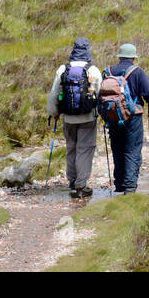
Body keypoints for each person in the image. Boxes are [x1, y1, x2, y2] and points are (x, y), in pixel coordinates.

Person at [46, 37, 102, 199]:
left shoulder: (63, 69)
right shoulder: (93, 71)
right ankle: (81, 184)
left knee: (71, 148)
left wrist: (53, 112)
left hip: (68, 118)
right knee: (85, 149)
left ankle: (72, 180)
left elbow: (54, 94)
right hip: (88, 117)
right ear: (88, 51)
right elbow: (99, 94)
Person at [101, 43, 149, 195]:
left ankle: (119, 184)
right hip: (133, 116)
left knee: (117, 148)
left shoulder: (107, 71)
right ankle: (130, 186)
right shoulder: (137, 72)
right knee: (132, 150)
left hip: (112, 116)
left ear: (119, 57)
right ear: (133, 57)